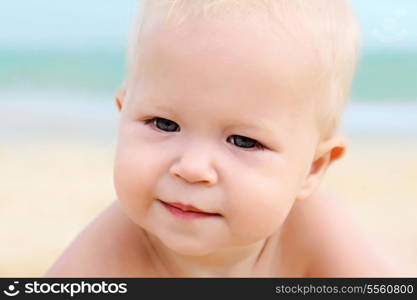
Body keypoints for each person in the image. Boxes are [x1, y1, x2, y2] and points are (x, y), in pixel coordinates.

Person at [46, 0, 398, 277]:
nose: (192, 168)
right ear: (123, 113)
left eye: (243, 141)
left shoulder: (312, 228)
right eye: (164, 124)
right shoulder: (104, 258)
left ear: (312, 168)